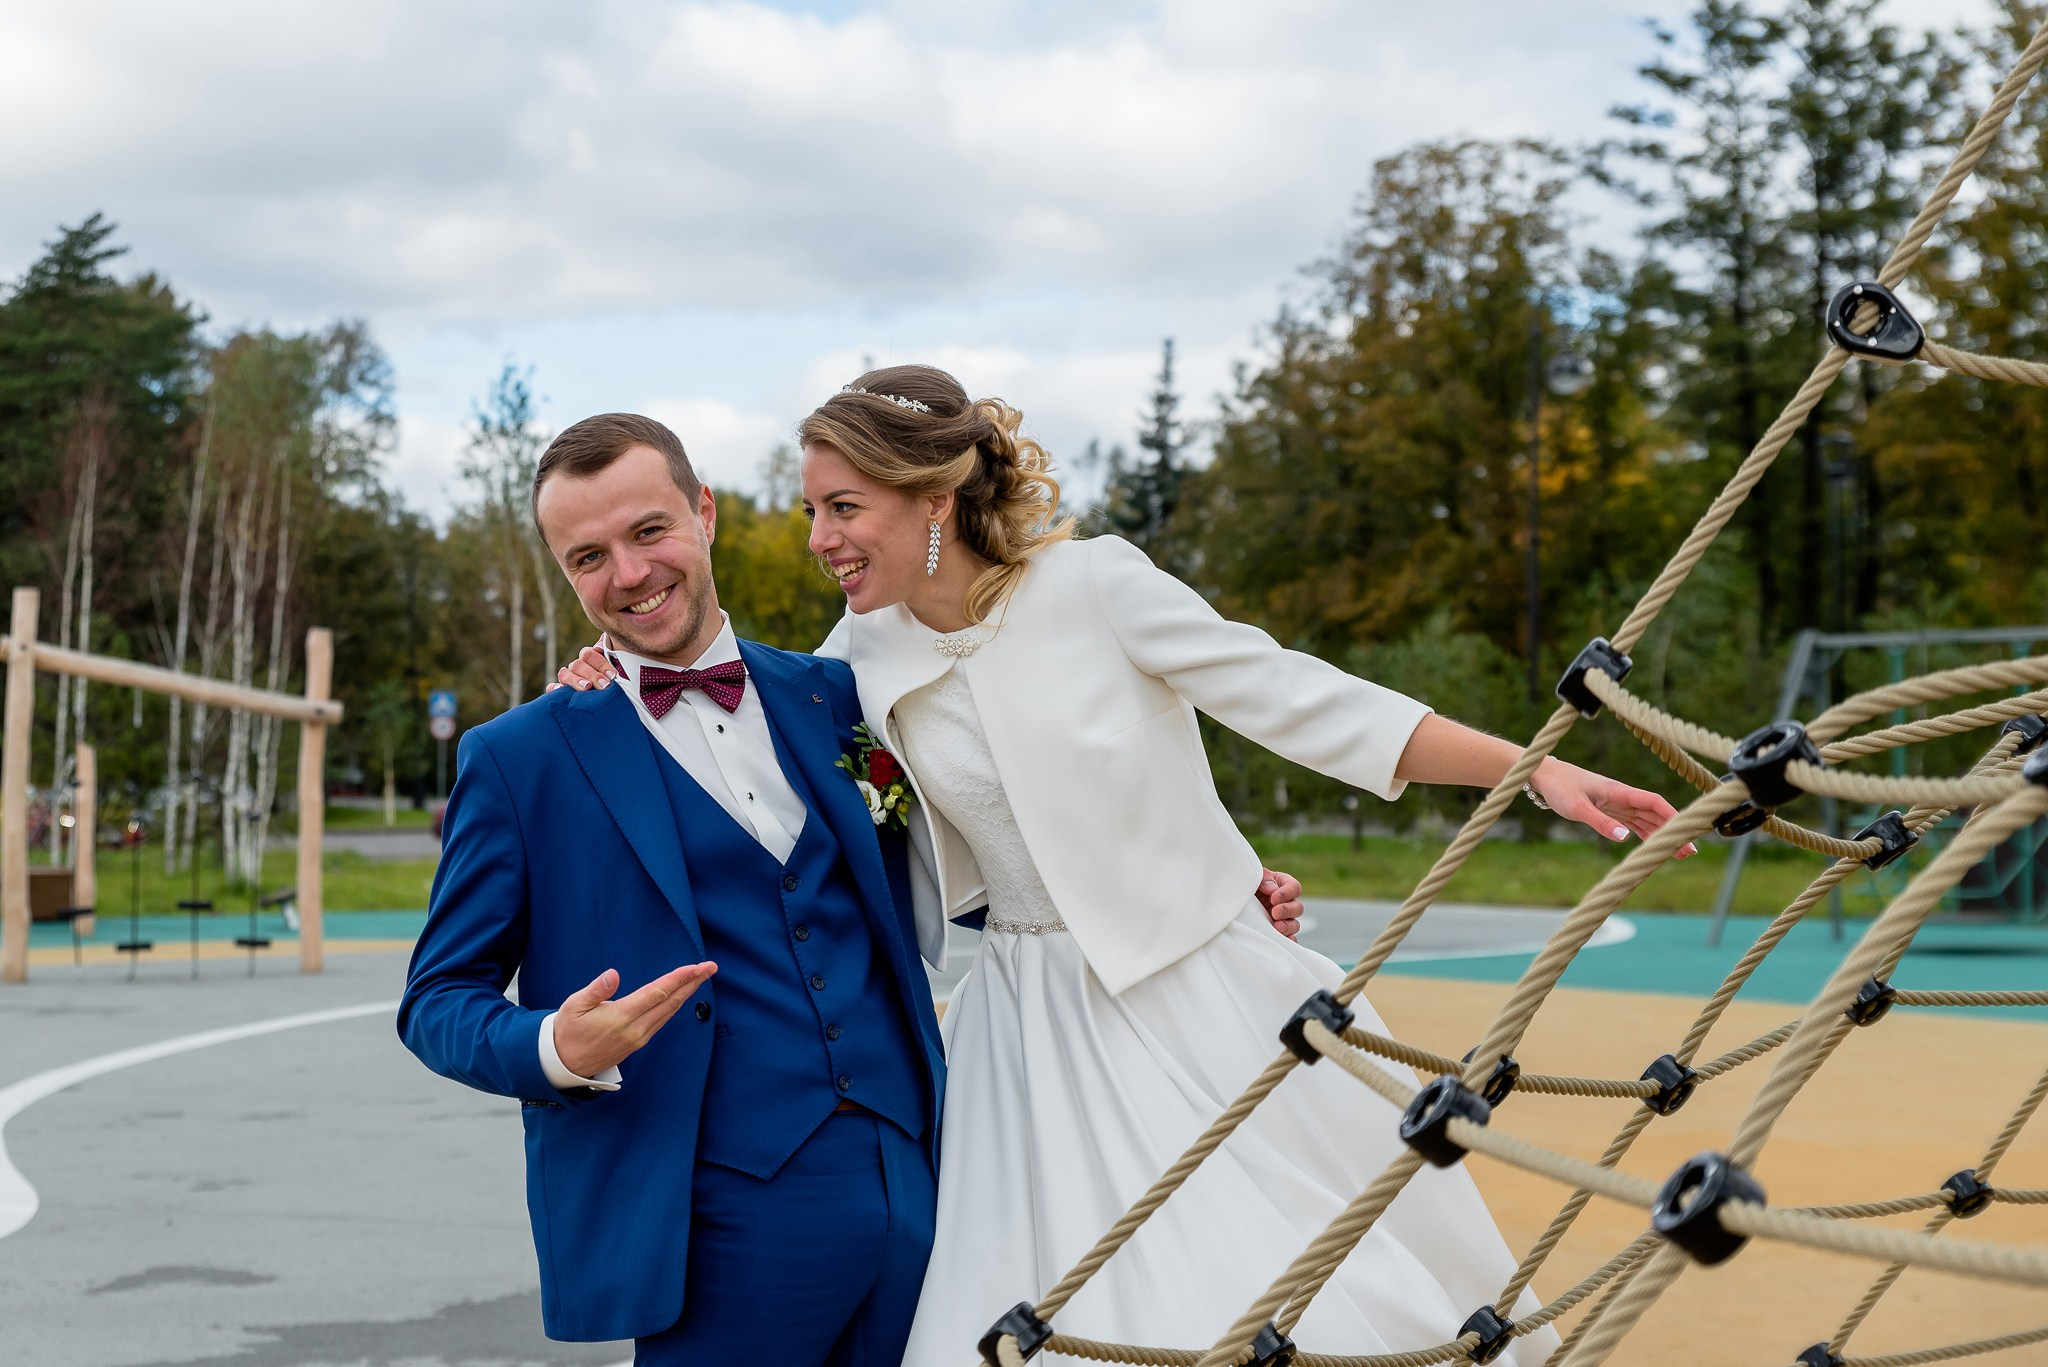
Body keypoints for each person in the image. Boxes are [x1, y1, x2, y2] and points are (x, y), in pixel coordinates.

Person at [563, 365, 1693, 1365]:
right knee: (1052, 1305)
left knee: (1280, 1279)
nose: (818, 537)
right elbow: (737, 737)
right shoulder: (851, 659)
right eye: (812, 509)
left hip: (1203, 989)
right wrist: (601, 676)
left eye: (843, 506)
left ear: (934, 500)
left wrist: (1532, 770)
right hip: (1027, 1025)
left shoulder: (1095, 585)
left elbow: (1301, 699)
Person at [400, 412, 1308, 1367]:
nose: (628, 574)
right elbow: (437, 999)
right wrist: (552, 1046)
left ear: (703, 513)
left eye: (649, 532)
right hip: (708, 1225)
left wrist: (1209, 894)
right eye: (588, 556)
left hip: (931, 1197)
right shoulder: (520, 759)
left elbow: (980, 856)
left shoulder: (837, 693)